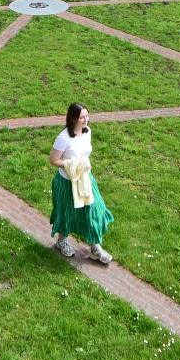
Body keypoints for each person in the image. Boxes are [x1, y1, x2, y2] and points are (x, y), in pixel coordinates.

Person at [49, 103, 114, 264]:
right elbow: (53, 160)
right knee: (67, 212)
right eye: (82, 117)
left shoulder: (87, 132)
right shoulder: (63, 138)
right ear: (73, 119)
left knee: (94, 210)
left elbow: (86, 152)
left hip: (85, 179)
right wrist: (71, 164)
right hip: (67, 182)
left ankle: (95, 247)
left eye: (87, 115)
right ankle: (61, 241)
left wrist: (83, 165)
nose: (86, 119)